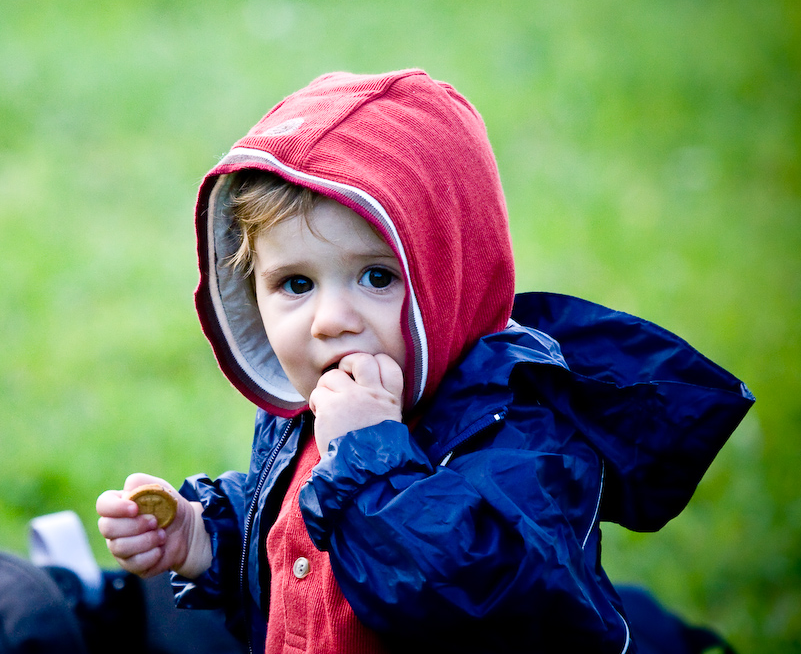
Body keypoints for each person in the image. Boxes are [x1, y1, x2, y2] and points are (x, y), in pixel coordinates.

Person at [97, 69, 754, 654]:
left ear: (453, 276)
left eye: (377, 277)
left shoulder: (520, 433)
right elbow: (300, 553)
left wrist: (367, 456)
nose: (330, 319)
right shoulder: (315, 416)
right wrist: (206, 539)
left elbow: (470, 595)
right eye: (295, 284)